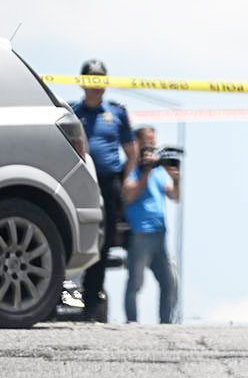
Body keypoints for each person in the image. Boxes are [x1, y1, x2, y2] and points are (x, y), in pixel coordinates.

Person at [72, 59, 139, 322]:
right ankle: (63, 294)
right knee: (78, 234)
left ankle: (92, 298)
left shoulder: (117, 113)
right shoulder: (72, 112)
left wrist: (127, 178)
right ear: (82, 82)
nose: (95, 85)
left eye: (100, 80)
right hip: (81, 181)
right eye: (91, 79)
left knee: (106, 239)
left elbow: (131, 150)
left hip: (110, 182)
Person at [121, 145, 180, 323]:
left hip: (159, 235)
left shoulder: (160, 173)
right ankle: (132, 321)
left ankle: (166, 321)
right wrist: (146, 172)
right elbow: (129, 195)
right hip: (140, 234)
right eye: (146, 155)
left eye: (152, 155)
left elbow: (175, 196)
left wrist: (177, 179)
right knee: (136, 282)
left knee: (169, 282)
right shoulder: (133, 172)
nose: (150, 159)